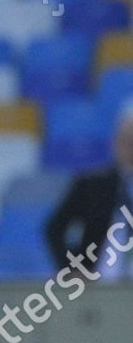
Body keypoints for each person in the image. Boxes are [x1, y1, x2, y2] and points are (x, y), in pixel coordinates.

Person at [44, 111, 133, 279]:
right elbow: (54, 228)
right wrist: (72, 267)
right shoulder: (92, 185)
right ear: (115, 144)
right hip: (98, 284)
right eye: (127, 141)